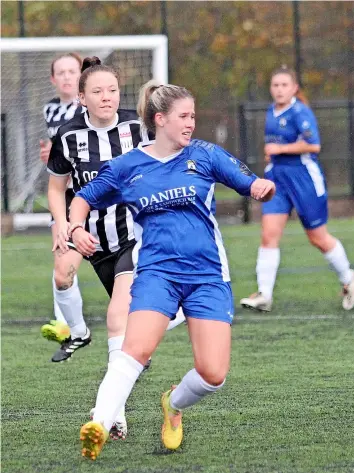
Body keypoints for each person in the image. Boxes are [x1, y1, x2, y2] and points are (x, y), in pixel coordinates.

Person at [62, 81, 275, 460]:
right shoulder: (128, 167)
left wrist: (260, 187)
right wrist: (76, 229)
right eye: (184, 116)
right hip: (156, 273)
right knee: (134, 349)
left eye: (193, 115)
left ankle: (172, 404)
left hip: (208, 276)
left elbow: (249, 181)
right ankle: (100, 422)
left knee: (213, 374)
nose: (191, 123)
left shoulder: (205, 155)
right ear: (160, 119)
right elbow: (81, 199)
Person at [47, 56, 178, 439]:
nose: (107, 97)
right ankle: (78, 332)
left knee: (118, 317)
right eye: (98, 92)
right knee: (61, 272)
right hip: (84, 229)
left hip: (131, 236)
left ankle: (113, 413)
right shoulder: (68, 136)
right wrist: (64, 224)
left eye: (113, 91)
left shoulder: (136, 127)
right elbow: (57, 187)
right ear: (82, 98)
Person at [239, 67, 354, 312]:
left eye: (284, 85)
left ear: (294, 88)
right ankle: (265, 294)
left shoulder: (301, 112)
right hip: (278, 180)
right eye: (275, 85)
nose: (279, 89)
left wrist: (279, 150)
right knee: (268, 234)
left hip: (304, 179)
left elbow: (314, 145)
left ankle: (348, 278)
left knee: (318, 238)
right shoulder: (271, 111)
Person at [39, 53, 86, 350]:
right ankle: (66, 326)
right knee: (62, 258)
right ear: (53, 79)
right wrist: (50, 156)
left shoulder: (88, 106)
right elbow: (56, 152)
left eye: (73, 71)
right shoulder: (50, 110)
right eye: (62, 72)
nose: (67, 77)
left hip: (92, 191)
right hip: (63, 193)